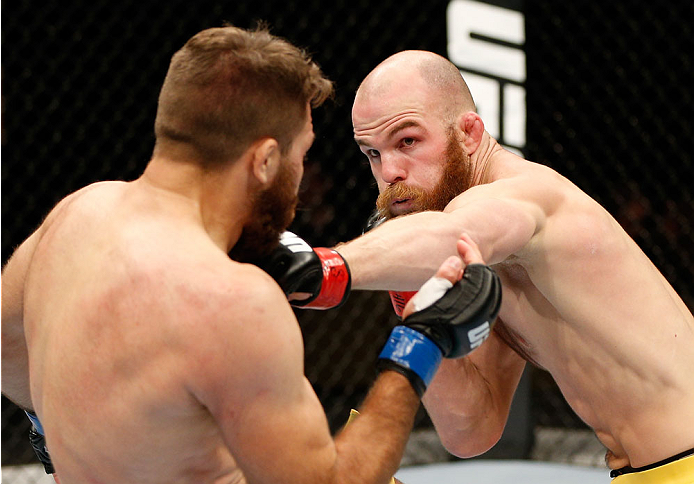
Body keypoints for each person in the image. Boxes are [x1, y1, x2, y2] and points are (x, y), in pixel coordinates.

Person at [0, 28, 504, 484]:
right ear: (264, 160)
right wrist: (419, 342)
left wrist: (66, 443)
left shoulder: (72, 216)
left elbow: (7, 349)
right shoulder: (232, 301)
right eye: (301, 155)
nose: (303, 177)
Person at [267, 50, 694, 482]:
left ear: (469, 133)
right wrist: (416, 308)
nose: (390, 171)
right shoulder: (487, 263)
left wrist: (322, 270)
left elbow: (454, 233)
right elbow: (472, 430)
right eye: (373, 154)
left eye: (408, 141)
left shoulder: (524, 196)